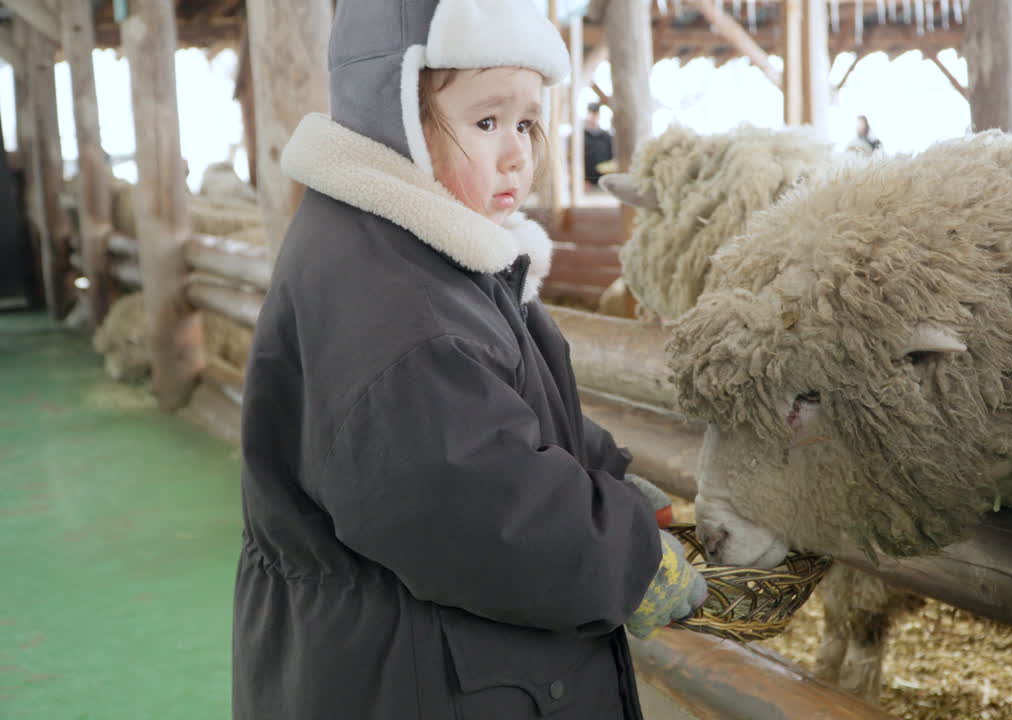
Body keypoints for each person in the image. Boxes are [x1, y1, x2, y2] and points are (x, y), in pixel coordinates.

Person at [231, 2, 706, 718]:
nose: (517, 151)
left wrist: (609, 481)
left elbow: (510, 412)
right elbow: (473, 497)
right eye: (486, 123)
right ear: (393, 117)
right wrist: (627, 559)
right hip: (419, 676)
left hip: (414, 660)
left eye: (526, 122)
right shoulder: (397, 307)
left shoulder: (422, 251)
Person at [583, 102, 614, 186]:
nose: (593, 117)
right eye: (591, 113)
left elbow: (611, 157)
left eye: (595, 114)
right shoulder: (580, 136)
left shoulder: (606, 136)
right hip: (586, 184)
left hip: (604, 182)